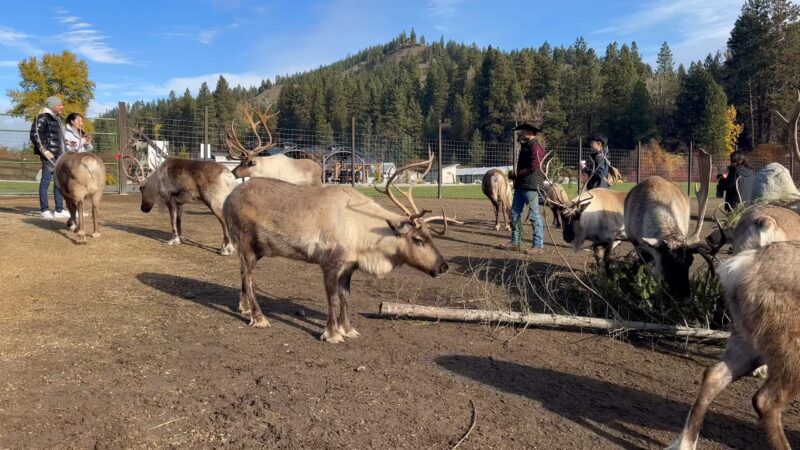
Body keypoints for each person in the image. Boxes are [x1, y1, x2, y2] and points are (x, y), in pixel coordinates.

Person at [499, 121, 546, 254]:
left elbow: (534, 167)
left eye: (524, 131)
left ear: (530, 133)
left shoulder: (536, 148)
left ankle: (538, 245)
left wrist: (517, 174)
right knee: (514, 213)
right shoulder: (526, 146)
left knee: (534, 216)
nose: (522, 133)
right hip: (521, 185)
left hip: (531, 187)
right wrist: (516, 177)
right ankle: (515, 242)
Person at [30, 96, 69, 219]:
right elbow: (34, 134)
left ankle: (59, 210)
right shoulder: (42, 117)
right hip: (49, 156)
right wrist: (44, 151)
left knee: (58, 182)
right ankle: (44, 209)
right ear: (53, 106)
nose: (62, 107)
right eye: (60, 105)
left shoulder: (57, 118)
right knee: (46, 181)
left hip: (59, 155)